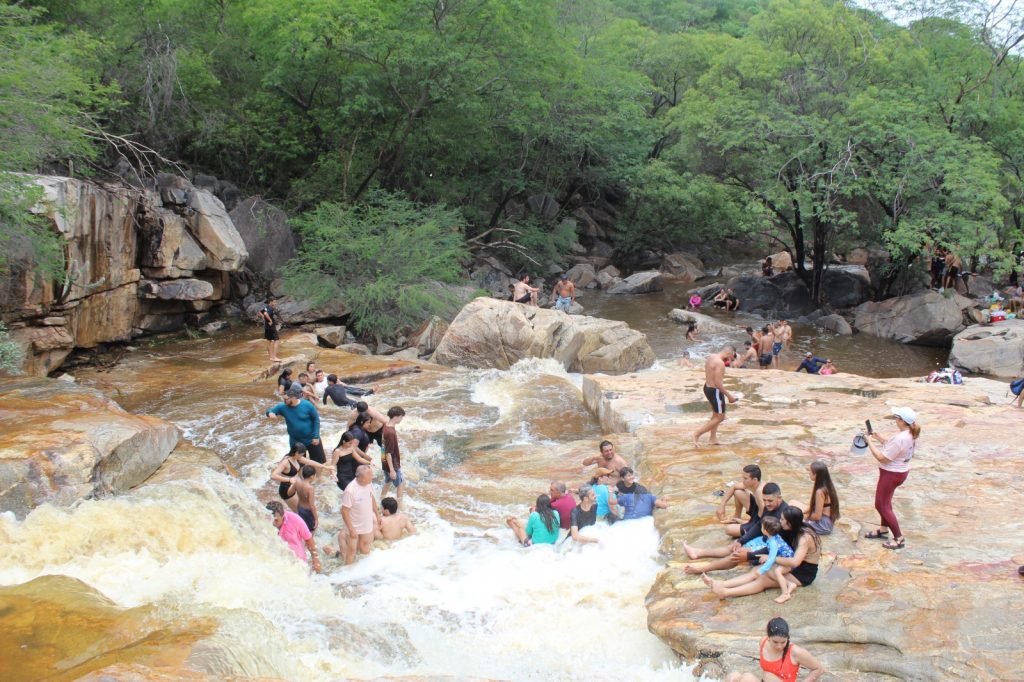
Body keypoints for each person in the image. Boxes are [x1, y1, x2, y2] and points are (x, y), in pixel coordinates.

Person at [704, 506, 821, 599]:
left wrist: (771, 558)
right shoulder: (793, 529)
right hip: (791, 565)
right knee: (756, 570)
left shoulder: (805, 538)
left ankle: (726, 592)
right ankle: (722, 585)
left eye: (782, 520)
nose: (780, 522)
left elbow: (795, 562)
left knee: (763, 578)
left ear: (790, 523)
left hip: (803, 573)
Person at [682, 483, 788, 574]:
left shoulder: (784, 516)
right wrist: (742, 540)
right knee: (735, 546)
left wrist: (749, 555)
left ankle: (702, 569)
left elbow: (776, 546)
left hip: (775, 550)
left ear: (779, 498)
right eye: (764, 500)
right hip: (766, 540)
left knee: (736, 555)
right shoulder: (769, 507)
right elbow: (759, 525)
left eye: (770, 501)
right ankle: (698, 553)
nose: (766, 504)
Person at [864, 406, 920, 550]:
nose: (894, 419)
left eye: (896, 417)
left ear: (902, 421)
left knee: (881, 504)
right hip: (900, 471)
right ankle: (883, 530)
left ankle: (899, 538)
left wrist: (869, 441)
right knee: (886, 502)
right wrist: (879, 438)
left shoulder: (901, 437)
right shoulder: (909, 433)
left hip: (891, 474)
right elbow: (894, 447)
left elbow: (882, 458)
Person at [702, 516, 793, 602]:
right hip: (782, 559)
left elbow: (771, 559)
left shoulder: (773, 543)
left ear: (765, 530)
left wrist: (762, 570)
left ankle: (785, 593)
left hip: (787, 562)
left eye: (761, 527)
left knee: (776, 572)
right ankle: (719, 584)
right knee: (758, 573)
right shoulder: (772, 537)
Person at [723, 617, 825, 682]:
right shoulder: (763, 642)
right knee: (732, 677)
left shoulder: (795, 652)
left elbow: (819, 669)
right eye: (775, 642)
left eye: (783, 642)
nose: (780, 646)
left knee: (747, 678)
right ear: (768, 637)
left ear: (787, 638)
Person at [265, 386, 328, 466]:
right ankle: (301, 478)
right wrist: (270, 413)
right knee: (298, 464)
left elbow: (316, 420)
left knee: (319, 462)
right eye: (283, 399)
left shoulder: (307, 405)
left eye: (286, 399)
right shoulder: (283, 407)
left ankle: (318, 478)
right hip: (296, 441)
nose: (284, 401)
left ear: (294, 398)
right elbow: (269, 411)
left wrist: (316, 436)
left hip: (312, 438)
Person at [692, 346, 738, 446]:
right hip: (715, 390)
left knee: (715, 415)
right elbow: (718, 383)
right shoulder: (720, 363)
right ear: (729, 353)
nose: (732, 358)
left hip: (707, 388)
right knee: (721, 417)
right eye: (732, 356)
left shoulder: (711, 357)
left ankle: (713, 439)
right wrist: (729, 396)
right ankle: (697, 434)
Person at [340, 465, 382, 564]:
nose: (372, 477)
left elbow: (371, 498)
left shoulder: (368, 484)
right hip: (354, 525)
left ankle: (364, 570)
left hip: (366, 523)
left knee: (365, 546)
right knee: (352, 551)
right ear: (361, 478)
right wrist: (351, 529)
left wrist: (377, 514)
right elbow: (344, 511)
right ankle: (348, 574)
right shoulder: (350, 490)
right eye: (370, 475)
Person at [266, 501, 321, 573]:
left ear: (283, 515)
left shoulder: (295, 519)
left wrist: (315, 559)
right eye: (271, 519)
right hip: (276, 562)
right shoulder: (263, 522)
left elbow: (308, 539)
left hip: (298, 563)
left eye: (276, 520)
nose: (273, 523)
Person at [793, 460, 839, 536]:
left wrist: (802, 516)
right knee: (792, 503)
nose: (809, 473)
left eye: (810, 472)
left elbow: (817, 516)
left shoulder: (820, 491)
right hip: (825, 519)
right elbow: (812, 506)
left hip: (823, 524)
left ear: (816, 475)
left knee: (792, 521)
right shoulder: (824, 483)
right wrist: (802, 512)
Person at [717, 464, 765, 536]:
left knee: (729, 530)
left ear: (754, 479)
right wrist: (722, 505)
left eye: (745, 478)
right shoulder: (754, 483)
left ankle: (740, 522)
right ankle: (736, 517)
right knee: (738, 491)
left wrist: (745, 522)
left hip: (763, 522)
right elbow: (734, 487)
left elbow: (764, 518)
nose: (743, 481)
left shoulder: (760, 492)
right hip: (758, 513)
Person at [270, 442, 307, 512]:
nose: (302, 457)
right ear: (296, 453)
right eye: (301, 455)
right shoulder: (286, 462)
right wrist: (289, 480)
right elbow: (273, 475)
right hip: (286, 490)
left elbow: (310, 462)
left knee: (303, 509)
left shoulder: (296, 459)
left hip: (293, 487)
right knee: (300, 512)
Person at [380, 406, 407, 501]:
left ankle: (381, 498)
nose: (401, 419)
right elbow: (388, 453)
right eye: (401, 417)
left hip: (384, 461)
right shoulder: (390, 432)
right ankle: (400, 505)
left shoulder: (386, 425)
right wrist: (392, 470)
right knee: (400, 484)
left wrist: (384, 462)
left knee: (388, 481)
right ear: (396, 417)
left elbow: (384, 446)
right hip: (391, 463)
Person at [287, 464, 319, 532]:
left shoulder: (297, 482)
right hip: (308, 512)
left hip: (300, 508)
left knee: (303, 527)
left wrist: (293, 484)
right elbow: (312, 505)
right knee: (310, 531)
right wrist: (316, 519)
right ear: (312, 476)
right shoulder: (310, 488)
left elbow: (289, 493)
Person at [258, 297, 281, 362]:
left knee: (269, 341)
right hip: (271, 326)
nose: (275, 303)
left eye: (275, 302)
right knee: (277, 340)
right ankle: (274, 357)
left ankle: (271, 357)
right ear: (270, 302)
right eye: (274, 302)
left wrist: (264, 318)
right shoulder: (270, 308)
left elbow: (260, 312)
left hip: (266, 326)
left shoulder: (266, 307)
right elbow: (265, 313)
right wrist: (270, 320)